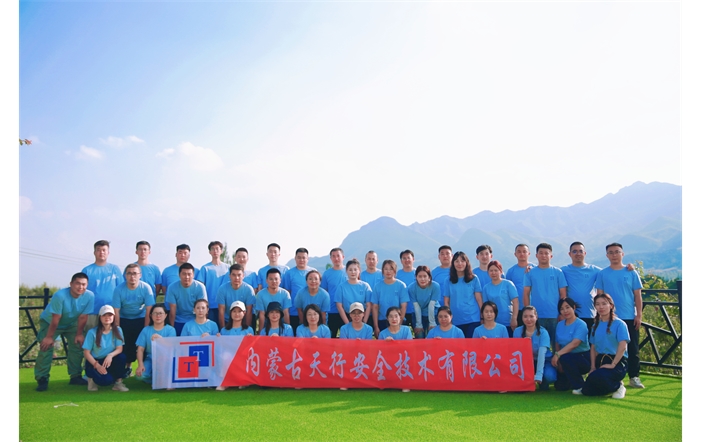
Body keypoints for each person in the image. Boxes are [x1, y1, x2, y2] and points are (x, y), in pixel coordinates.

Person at [595, 242, 645, 389]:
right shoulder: (602, 274)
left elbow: (638, 296)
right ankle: (615, 375)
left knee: (633, 348)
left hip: (629, 316)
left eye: (617, 252)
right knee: (610, 347)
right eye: (611, 252)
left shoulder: (631, 272)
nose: (614, 255)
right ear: (607, 255)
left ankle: (634, 377)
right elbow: (599, 296)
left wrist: (639, 315)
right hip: (609, 318)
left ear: (622, 254)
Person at [34, 272, 94, 391]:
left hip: (71, 323)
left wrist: (79, 334)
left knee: (78, 345)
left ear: (87, 285)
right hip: (50, 322)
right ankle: (42, 378)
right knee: (46, 346)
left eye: (83, 284)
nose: (80, 287)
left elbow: (83, 317)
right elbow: (56, 318)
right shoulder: (60, 295)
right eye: (77, 283)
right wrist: (49, 337)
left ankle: (75, 376)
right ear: (71, 284)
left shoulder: (90, 296)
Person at [581, 293, 630, 398]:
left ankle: (618, 386)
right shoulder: (595, 325)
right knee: (587, 390)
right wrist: (593, 367)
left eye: (604, 304)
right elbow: (593, 347)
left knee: (598, 377)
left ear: (611, 305)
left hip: (617, 362)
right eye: (597, 304)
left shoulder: (620, 324)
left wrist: (613, 364)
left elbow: (623, 346)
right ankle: (608, 386)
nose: (601, 307)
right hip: (601, 361)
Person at [112, 263, 156, 376]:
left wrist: (146, 329)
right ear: (125, 275)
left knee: (142, 344)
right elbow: (116, 311)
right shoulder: (118, 289)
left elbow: (149, 310)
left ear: (140, 275)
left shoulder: (146, 288)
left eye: (135, 273)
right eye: (129, 273)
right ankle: (127, 368)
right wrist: (117, 329)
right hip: (124, 319)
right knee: (125, 345)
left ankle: (145, 369)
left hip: (141, 318)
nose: (132, 276)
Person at [523, 243, 568, 348]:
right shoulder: (530, 272)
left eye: (546, 253)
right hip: (536, 315)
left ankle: (556, 359)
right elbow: (526, 293)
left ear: (551, 256)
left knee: (556, 342)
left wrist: (562, 313)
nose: (543, 255)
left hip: (554, 314)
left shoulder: (558, 272)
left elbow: (563, 294)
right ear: (536, 255)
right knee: (537, 344)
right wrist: (527, 313)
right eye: (541, 253)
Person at [82, 305, 128, 392]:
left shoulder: (118, 330)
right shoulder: (92, 332)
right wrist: (97, 366)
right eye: (104, 315)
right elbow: (86, 353)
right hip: (95, 362)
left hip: (109, 360)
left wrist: (110, 355)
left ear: (114, 317)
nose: (107, 317)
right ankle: (91, 379)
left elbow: (119, 348)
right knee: (106, 381)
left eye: (110, 315)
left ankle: (118, 383)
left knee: (122, 357)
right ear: (100, 317)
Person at [82, 240, 124, 330]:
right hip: (92, 312)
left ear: (108, 252)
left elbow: (121, 289)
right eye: (98, 250)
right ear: (94, 252)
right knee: (91, 336)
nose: (101, 252)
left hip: (111, 312)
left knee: (110, 336)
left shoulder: (115, 269)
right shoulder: (87, 270)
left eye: (104, 250)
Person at [513, 306, 557, 390]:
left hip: (544, 360)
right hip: (526, 362)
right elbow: (516, 352)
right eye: (525, 316)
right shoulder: (517, 331)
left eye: (531, 316)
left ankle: (542, 380)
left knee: (550, 377)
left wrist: (539, 374)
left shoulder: (543, 332)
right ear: (522, 318)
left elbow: (541, 354)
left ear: (536, 317)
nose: (528, 319)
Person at [552, 298, 591, 394]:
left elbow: (575, 344)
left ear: (574, 307)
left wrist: (558, 355)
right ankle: (573, 379)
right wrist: (559, 362)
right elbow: (557, 343)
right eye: (562, 309)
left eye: (567, 307)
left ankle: (580, 386)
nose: (565, 311)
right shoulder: (560, 325)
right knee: (560, 386)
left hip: (582, 357)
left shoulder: (581, 324)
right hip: (565, 358)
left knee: (566, 358)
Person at [443, 252, 483, 339]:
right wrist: (448, 317)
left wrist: (482, 316)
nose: (459, 264)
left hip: (473, 318)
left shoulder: (474, 278)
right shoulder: (448, 280)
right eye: (456, 261)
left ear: (466, 262)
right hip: (456, 318)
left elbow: (479, 299)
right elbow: (446, 301)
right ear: (453, 263)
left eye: (462, 261)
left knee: (472, 345)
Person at [135, 304, 176, 384]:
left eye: (160, 313)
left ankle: (160, 378)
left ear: (165, 315)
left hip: (166, 359)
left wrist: (161, 339)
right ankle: (156, 380)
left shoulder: (171, 330)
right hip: (150, 357)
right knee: (141, 376)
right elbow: (140, 349)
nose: (158, 316)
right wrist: (140, 365)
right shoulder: (146, 330)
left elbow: (171, 347)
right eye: (155, 313)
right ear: (151, 315)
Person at [165, 263, 208, 336]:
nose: (187, 277)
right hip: (178, 320)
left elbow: (203, 308)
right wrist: (171, 330)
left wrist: (202, 325)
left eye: (189, 274)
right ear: (179, 275)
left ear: (193, 275)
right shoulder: (172, 287)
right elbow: (172, 310)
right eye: (184, 274)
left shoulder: (200, 287)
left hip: (195, 320)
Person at [371, 260, 409, 337]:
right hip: (382, 320)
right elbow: (375, 307)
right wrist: (376, 326)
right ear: (382, 271)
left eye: (391, 269)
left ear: (395, 271)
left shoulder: (401, 285)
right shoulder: (377, 286)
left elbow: (403, 306)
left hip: (397, 320)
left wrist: (400, 323)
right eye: (386, 269)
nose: (388, 271)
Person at [281, 247, 316, 330]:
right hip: (294, 311)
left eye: (304, 258)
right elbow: (287, 292)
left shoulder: (313, 272)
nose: (301, 260)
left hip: (311, 312)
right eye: (299, 257)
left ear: (308, 259)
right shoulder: (289, 273)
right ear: (295, 258)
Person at [481, 260, 519, 336]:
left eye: (496, 270)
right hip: (493, 323)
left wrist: (514, 318)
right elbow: (485, 306)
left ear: (501, 271)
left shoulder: (508, 284)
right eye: (491, 271)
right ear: (488, 272)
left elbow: (516, 302)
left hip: (507, 321)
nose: (493, 273)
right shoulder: (486, 288)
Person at [197, 241, 230, 321]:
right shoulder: (205, 268)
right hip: (210, 305)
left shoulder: (228, 268)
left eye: (217, 249)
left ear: (221, 251)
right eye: (212, 249)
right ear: (210, 252)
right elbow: (200, 286)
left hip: (225, 304)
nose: (215, 251)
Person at [216, 264, 256, 330]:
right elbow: (221, 311)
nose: (236, 278)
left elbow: (249, 311)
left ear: (243, 276)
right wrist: (223, 330)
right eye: (234, 275)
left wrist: (246, 330)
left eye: (239, 275)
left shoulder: (249, 289)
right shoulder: (222, 289)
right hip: (227, 320)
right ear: (229, 276)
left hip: (243, 320)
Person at [407, 266, 441, 338]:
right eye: (420, 276)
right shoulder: (411, 288)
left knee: (432, 336)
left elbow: (431, 305)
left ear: (429, 277)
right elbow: (416, 306)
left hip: (433, 313)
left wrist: (432, 323)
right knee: (420, 336)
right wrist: (418, 324)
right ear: (416, 277)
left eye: (425, 276)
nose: (422, 279)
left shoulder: (435, 286)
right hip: (418, 314)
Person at [336, 259, 373, 326]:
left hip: (362, 317)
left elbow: (369, 305)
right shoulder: (341, 287)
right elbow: (339, 306)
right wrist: (347, 324)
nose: (353, 272)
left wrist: (364, 322)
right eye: (350, 270)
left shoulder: (365, 286)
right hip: (347, 317)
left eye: (355, 269)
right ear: (346, 271)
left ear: (359, 270)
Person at [322, 247, 349, 338]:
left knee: (347, 338)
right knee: (331, 337)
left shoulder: (349, 271)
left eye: (338, 256)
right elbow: (324, 292)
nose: (336, 258)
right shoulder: (327, 274)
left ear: (343, 257)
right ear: (331, 258)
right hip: (332, 311)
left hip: (347, 311)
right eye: (333, 256)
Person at [505, 244, 535, 326]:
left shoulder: (535, 269)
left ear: (529, 253)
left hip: (534, 308)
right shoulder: (511, 271)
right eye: (519, 252)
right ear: (515, 254)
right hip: (518, 309)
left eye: (524, 251)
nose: (522, 254)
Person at [396, 250, 417, 329]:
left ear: (413, 259)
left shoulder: (419, 273)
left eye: (408, 258)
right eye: (404, 258)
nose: (407, 260)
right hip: (401, 310)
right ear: (401, 261)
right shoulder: (397, 275)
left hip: (416, 310)